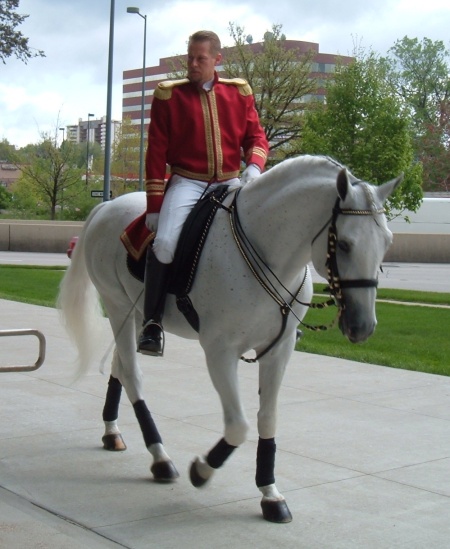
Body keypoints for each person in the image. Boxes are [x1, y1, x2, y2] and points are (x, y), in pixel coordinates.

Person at [138, 29, 269, 356]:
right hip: (187, 182)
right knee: (165, 244)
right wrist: (155, 205)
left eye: (200, 59)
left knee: (260, 236)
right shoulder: (169, 97)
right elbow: (155, 154)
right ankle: (152, 324)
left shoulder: (238, 94)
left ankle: (268, 317)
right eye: (190, 58)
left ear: (217, 60)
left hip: (230, 181)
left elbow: (257, 138)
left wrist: (253, 166)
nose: (192, 65)